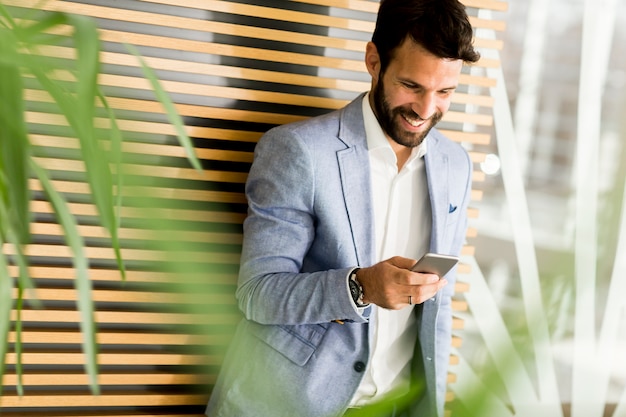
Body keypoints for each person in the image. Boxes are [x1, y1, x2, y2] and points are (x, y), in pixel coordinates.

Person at [206, 0, 480, 416]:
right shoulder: (298, 151)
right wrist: (361, 287)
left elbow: (437, 308)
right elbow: (257, 294)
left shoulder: (455, 165)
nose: (426, 111)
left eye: (444, 92)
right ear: (374, 61)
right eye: (412, 86)